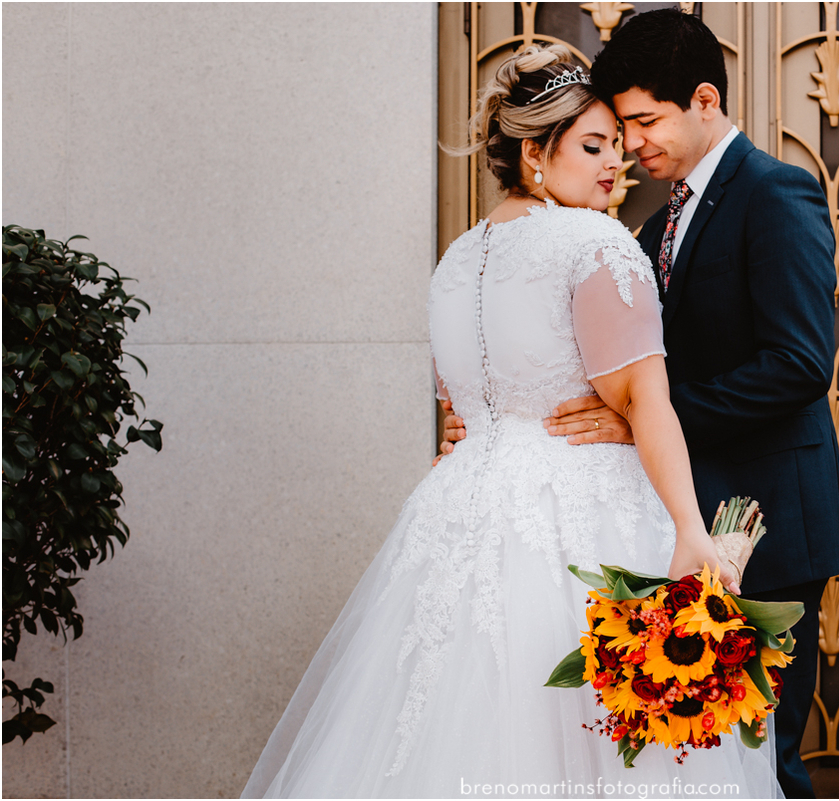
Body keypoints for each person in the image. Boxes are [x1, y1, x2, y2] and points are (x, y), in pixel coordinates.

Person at [242, 44, 779, 798]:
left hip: (457, 518)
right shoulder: (593, 242)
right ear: (534, 151)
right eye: (592, 147)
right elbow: (645, 402)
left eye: (617, 150)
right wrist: (692, 532)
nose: (612, 168)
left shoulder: (456, 262)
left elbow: (461, 413)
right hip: (575, 515)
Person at [440, 10, 839, 799]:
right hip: (671, 522)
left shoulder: (775, 193)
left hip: (763, 520)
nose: (629, 144)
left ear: (703, 100)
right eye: (616, 128)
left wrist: (639, 419)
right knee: (695, 758)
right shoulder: (651, 222)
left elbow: (799, 363)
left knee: (765, 757)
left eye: (642, 121)